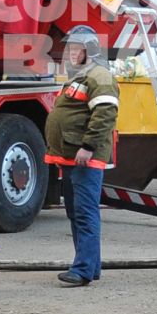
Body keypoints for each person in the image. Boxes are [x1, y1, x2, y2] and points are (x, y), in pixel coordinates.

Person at [43, 25, 118, 287]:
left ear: (91, 51)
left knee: (84, 212)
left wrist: (87, 145)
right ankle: (90, 266)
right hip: (72, 156)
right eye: (71, 48)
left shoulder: (100, 76)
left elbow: (105, 114)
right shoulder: (81, 77)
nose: (72, 53)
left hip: (86, 156)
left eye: (77, 49)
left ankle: (83, 269)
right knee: (76, 212)